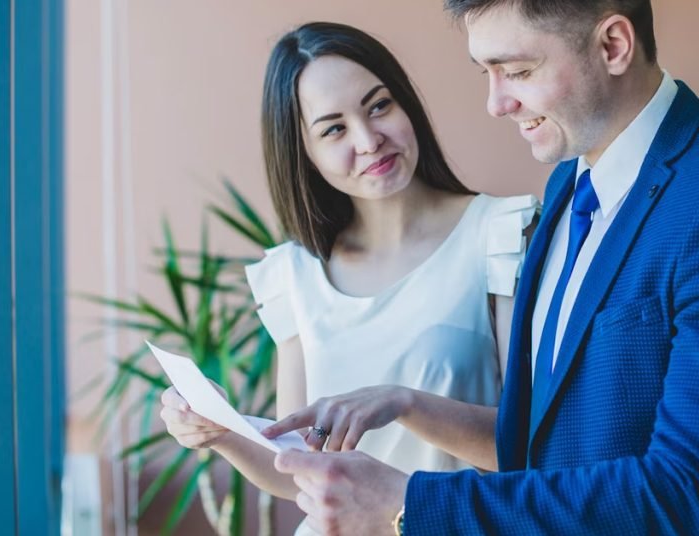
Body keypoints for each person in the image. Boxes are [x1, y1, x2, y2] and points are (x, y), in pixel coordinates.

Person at [269, 1, 699, 534]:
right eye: (484, 72)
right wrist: (408, 404)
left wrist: (408, 505)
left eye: (515, 70)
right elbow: (536, 447)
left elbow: (695, 494)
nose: (496, 103)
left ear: (613, 45)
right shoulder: (568, 182)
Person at [157, 21, 538, 535]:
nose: (368, 139)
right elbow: (295, 468)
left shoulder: (499, 235)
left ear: (406, 105)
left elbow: (530, 442)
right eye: (333, 128)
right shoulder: (295, 274)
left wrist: (404, 402)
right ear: (304, 153)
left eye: (379, 105)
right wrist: (218, 431)